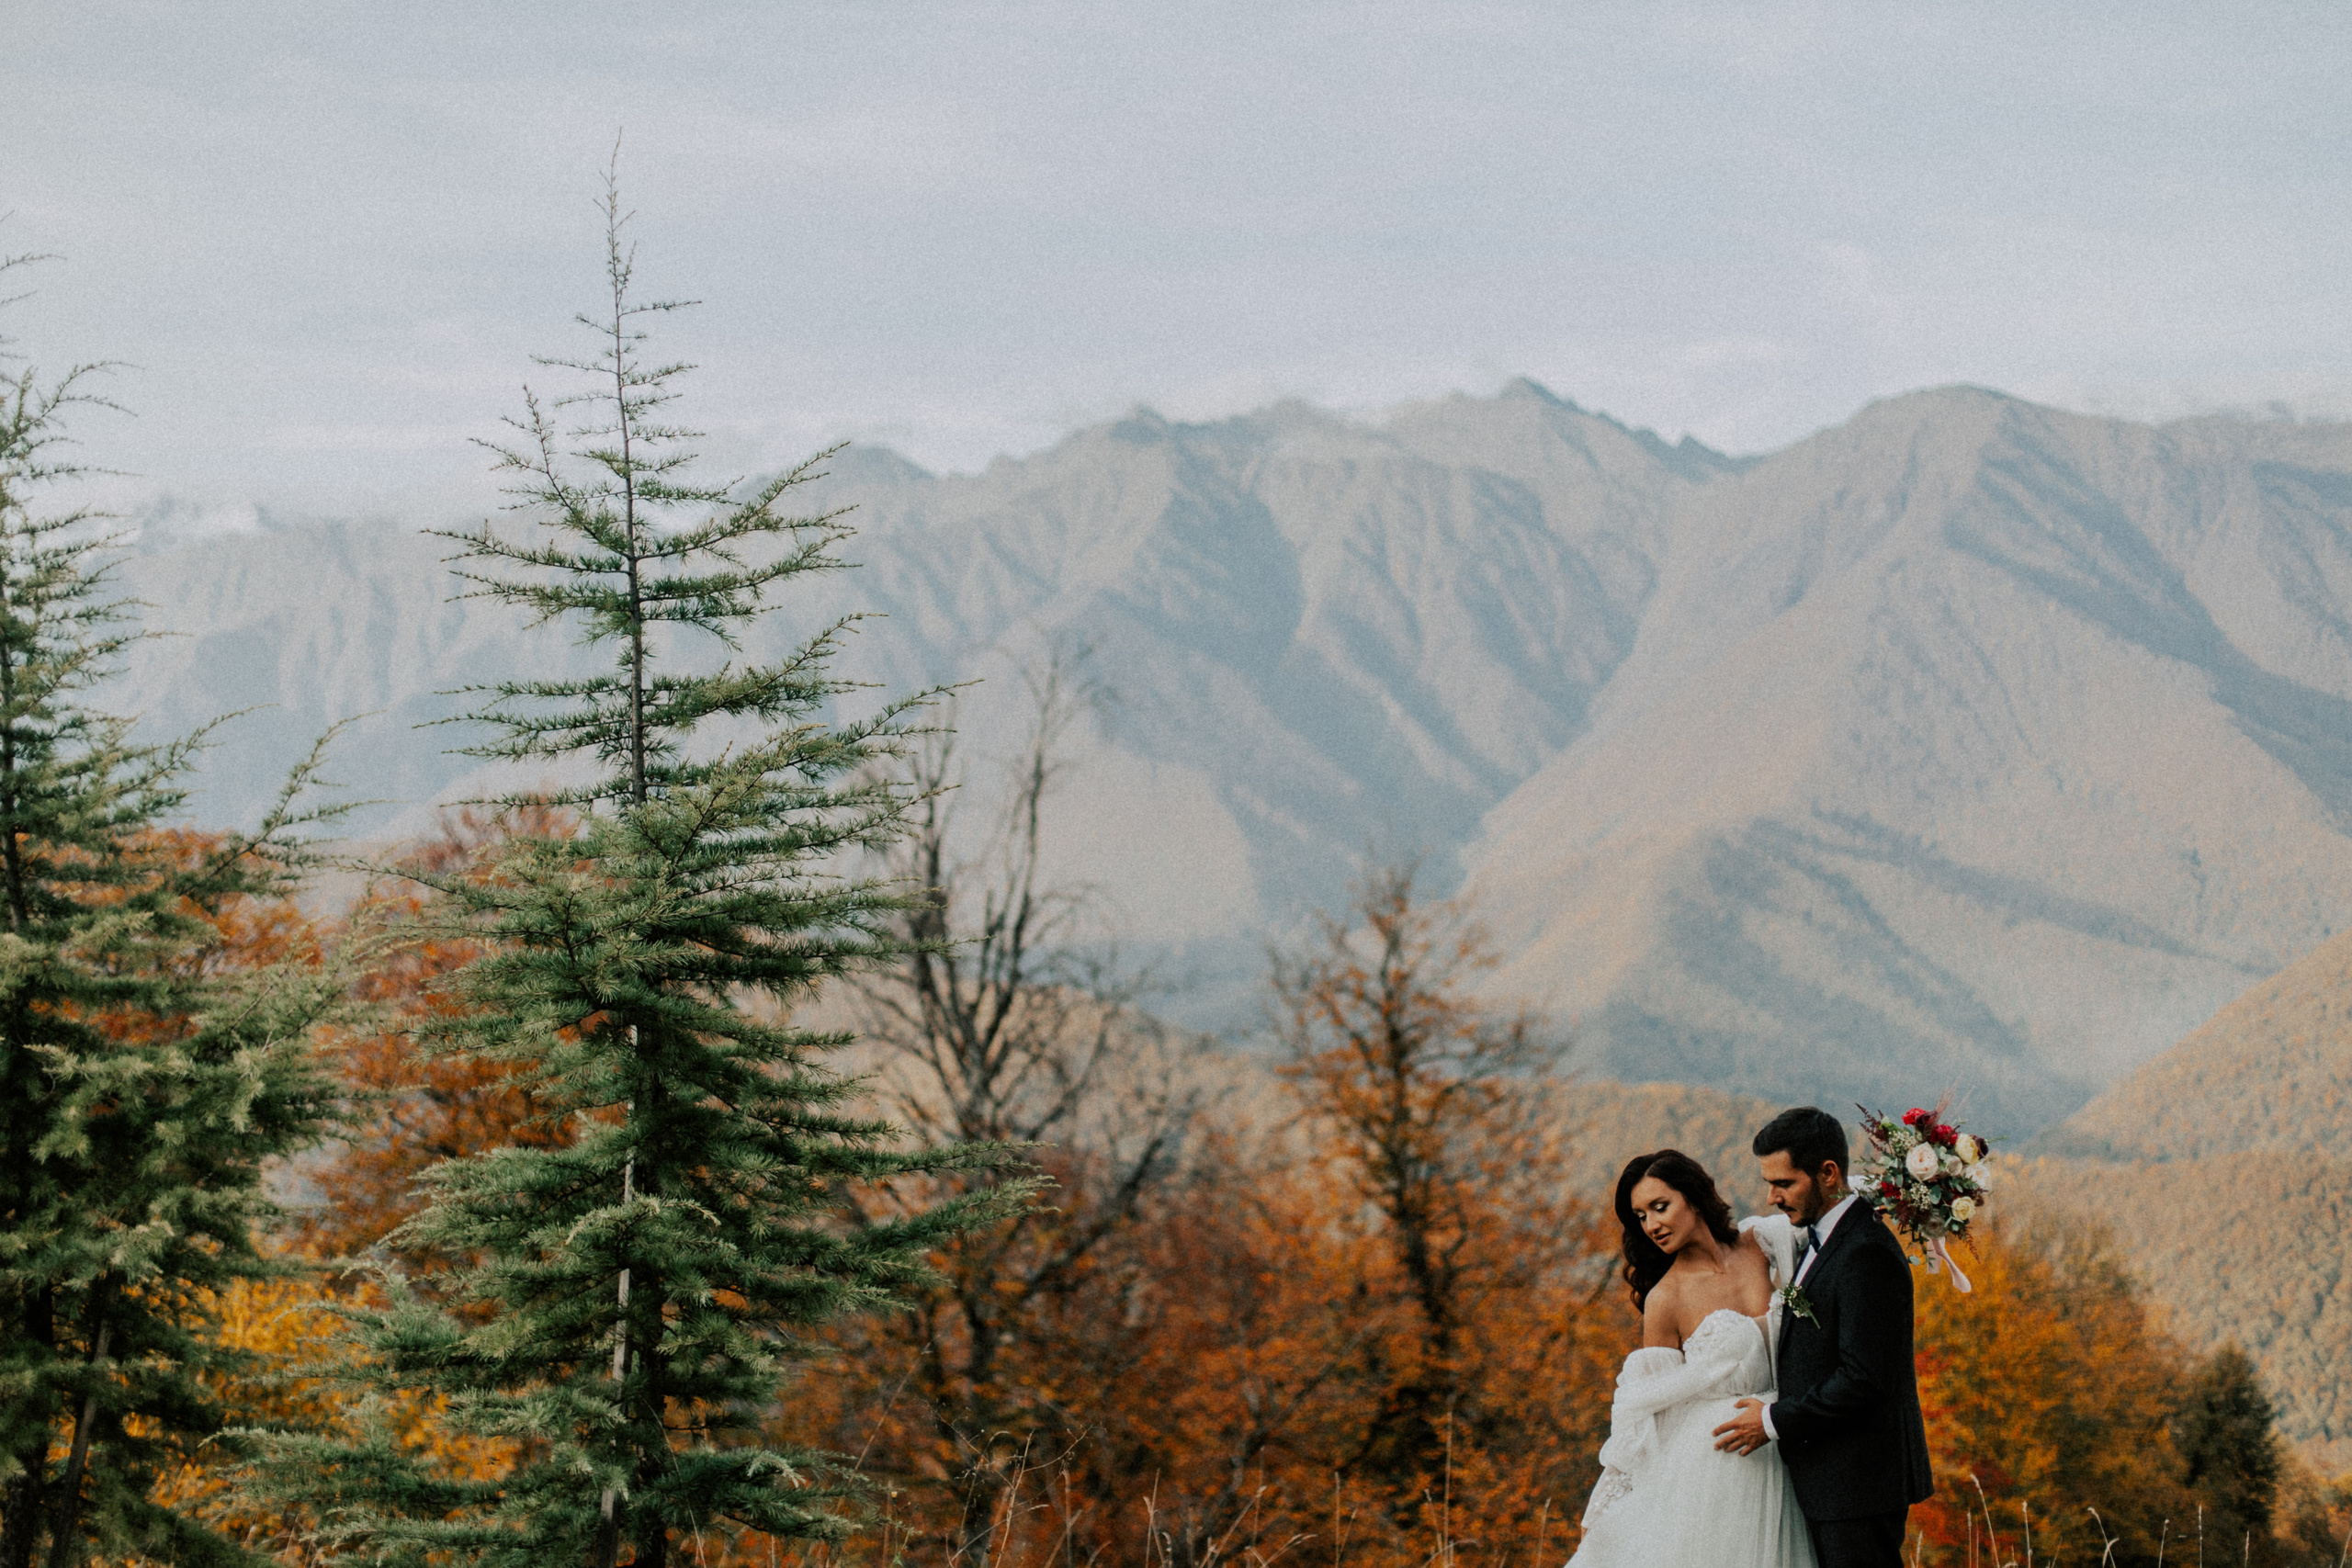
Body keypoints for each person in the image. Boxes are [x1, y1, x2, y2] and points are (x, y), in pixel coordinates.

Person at [1567, 1150, 1815, 1568]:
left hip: (1790, 1439)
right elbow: (1650, 1410)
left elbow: (1835, 1214)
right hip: (1715, 1468)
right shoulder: (1665, 1299)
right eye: (1641, 1216)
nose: (1652, 1225)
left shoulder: (1763, 1243)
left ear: (1695, 1198)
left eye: (1660, 1207)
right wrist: (1606, 1508)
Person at [1711, 1107, 1934, 1568]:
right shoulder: (1825, 1237)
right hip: (1834, 1480)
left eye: (1785, 1183)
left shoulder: (1865, 1252)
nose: (1771, 1197)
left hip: (1858, 1483)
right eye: (1769, 1182)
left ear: (1828, 1173)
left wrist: (1772, 1421)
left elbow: (1864, 1379)